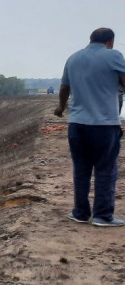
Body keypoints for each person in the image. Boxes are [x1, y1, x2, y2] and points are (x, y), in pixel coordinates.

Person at [55, 27, 125, 227]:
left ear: (90, 39)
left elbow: (64, 88)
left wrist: (61, 107)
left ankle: (80, 212)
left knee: (81, 169)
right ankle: (103, 216)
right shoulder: (113, 55)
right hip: (104, 125)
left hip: (77, 124)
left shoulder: (73, 58)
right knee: (105, 169)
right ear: (110, 41)